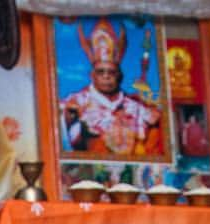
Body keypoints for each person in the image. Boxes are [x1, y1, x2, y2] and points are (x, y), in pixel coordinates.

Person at [60, 19, 163, 157]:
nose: (106, 77)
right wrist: (69, 121)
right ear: (92, 75)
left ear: (119, 75)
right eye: (101, 72)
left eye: (111, 72)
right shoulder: (75, 103)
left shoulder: (136, 107)